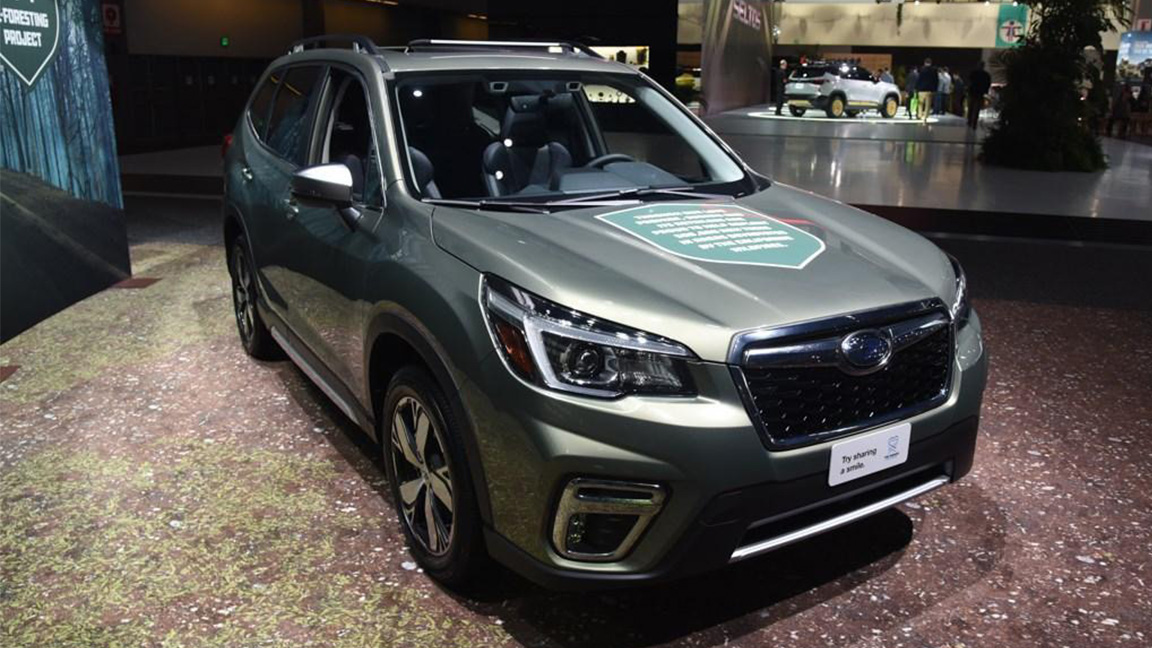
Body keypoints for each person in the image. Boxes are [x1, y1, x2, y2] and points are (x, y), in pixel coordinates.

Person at [967, 60, 992, 130]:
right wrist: (985, 92)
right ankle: (974, 122)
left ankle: (969, 121)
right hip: (980, 93)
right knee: (977, 109)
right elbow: (988, 84)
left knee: (971, 107)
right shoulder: (986, 75)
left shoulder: (974, 73)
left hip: (973, 92)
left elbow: (970, 82)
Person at [916, 58, 938, 123]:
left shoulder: (921, 69)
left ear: (924, 63)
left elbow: (918, 79)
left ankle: (919, 115)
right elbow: (936, 80)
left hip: (921, 89)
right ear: (931, 63)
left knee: (920, 103)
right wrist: (935, 89)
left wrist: (917, 88)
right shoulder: (934, 70)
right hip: (929, 90)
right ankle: (925, 117)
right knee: (927, 104)